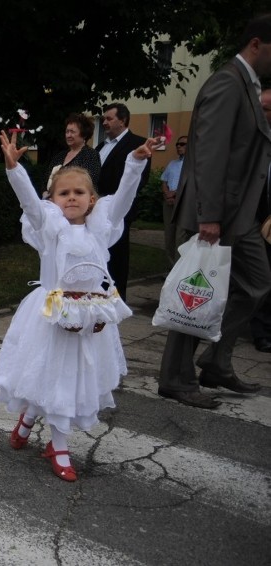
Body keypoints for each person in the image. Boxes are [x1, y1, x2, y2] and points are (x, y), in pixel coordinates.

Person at [0, 129, 155, 482]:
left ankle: (29, 421)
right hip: (51, 316)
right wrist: (14, 170)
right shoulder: (50, 228)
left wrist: (135, 162)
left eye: (79, 192)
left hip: (91, 316)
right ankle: (59, 444)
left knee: (71, 377)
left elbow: (124, 198)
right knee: (52, 375)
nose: (71, 198)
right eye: (63, 193)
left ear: (92, 199)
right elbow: (29, 206)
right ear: (52, 199)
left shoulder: (101, 229)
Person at [159, 14, 271, 409]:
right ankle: (175, 377)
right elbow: (208, 153)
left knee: (256, 283)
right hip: (218, 213)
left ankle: (216, 361)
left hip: (241, 215)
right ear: (256, 44)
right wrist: (209, 214)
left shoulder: (250, 86)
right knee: (196, 288)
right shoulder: (228, 82)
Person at [95, 103, 152, 299]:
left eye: (109, 119)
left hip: (117, 210)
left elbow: (138, 180)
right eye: (104, 119)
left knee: (117, 256)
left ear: (123, 120)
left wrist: (110, 199)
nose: (104, 122)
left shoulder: (138, 144)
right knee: (97, 254)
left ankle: (115, 298)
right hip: (95, 209)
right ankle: (96, 293)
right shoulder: (101, 146)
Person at [250, 88, 271, 353]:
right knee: (260, 277)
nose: (262, 112)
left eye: (266, 108)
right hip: (254, 220)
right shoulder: (250, 140)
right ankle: (261, 331)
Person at [46, 113, 101, 193]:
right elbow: (46, 179)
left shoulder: (91, 155)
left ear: (84, 134)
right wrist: (45, 193)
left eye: (72, 132)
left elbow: (88, 182)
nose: (68, 135)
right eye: (67, 132)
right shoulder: (60, 156)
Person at [160, 135, 188, 265]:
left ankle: (180, 269)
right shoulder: (172, 163)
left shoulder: (192, 165)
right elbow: (164, 181)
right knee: (169, 236)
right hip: (169, 202)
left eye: (182, 144)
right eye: (177, 144)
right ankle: (171, 269)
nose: (178, 146)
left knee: (180, 237)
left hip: (183, 203)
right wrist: (167, 194)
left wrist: (175, 194)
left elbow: (189, 184)